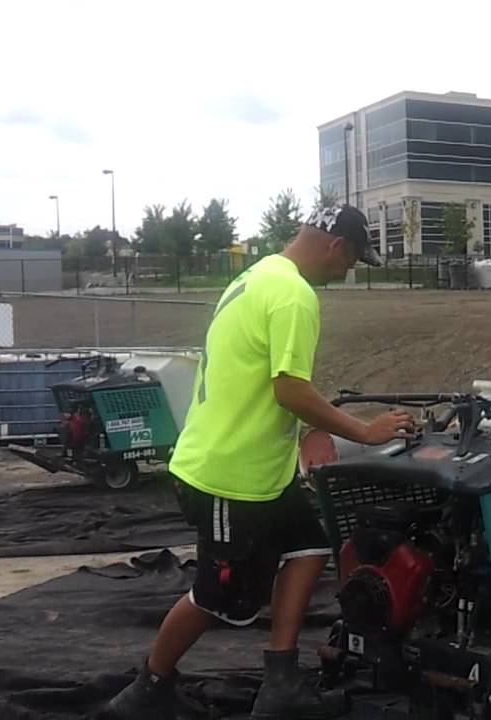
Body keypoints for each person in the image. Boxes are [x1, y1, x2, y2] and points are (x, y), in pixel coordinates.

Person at [102, 205, 414, 720]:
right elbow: (288, 388)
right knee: (220, 597)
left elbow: (251, 378)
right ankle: (146, 689)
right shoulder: (294, 295)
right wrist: (363, 430)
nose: (348, 272)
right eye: (354, 260)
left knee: (311, 544)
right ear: (337, 246)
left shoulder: (254, 276)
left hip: (259, 474)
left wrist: (310, 432)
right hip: (229, 478)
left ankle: (281, 679)